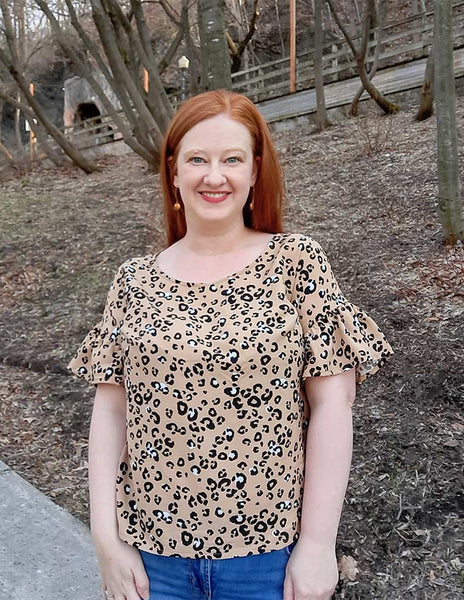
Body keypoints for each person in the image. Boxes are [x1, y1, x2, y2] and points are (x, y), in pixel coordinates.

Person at [68, 90, 393, 600]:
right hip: (152, 563)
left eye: (232, 159)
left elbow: (333, 405)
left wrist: (316, 545)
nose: (213, 176)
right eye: (197, 159)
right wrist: (106, 541)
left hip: (267, 561)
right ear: (174, 171)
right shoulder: (133, 280)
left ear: (254, 171)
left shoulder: (296, 263)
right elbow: (110, 413)